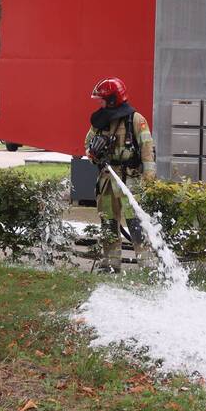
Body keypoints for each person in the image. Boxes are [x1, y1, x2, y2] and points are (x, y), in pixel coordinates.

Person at [84, 77, 156, 273]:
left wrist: (148, 180)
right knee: (108, 222)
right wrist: (93, 154)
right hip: (107, 179)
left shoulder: (136, 119)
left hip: (130, 179)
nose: (100, 103)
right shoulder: (99, 121)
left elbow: (147, 150)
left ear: (114, 99)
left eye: (103, 99)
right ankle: (110, 264)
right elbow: (88, 145)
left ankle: (148, 265)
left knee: (136, 224)